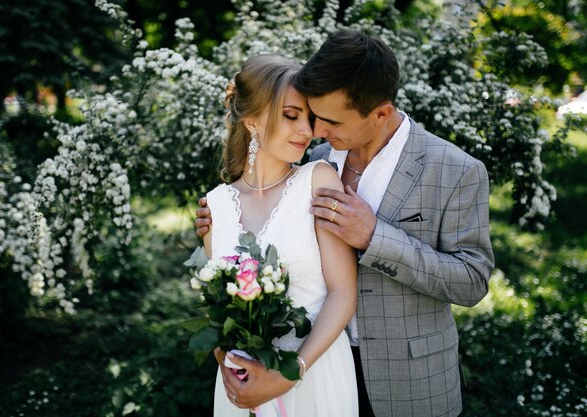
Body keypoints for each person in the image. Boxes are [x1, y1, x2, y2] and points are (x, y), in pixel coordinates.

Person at [196, 30, 495, 417]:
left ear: (380, 114)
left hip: (405, 379)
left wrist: (374, 237)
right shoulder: (318, 159)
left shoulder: (455, 170)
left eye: (329, 120)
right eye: (312, 115)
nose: (316, 130)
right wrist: (215, 229)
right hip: (315, 365)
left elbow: (472, 281)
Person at [202, 54, 359, 417]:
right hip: (242, 383)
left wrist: (291, 372)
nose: (306, 130)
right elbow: (218, 310)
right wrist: (232, 367)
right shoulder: (216, 204)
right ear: (252, 120)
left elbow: (343, 293)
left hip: (315, 375)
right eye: (291, 115)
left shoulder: (318, 180)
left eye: (309, 117)